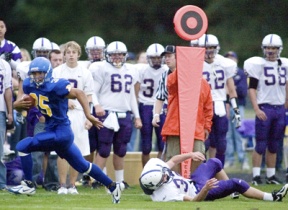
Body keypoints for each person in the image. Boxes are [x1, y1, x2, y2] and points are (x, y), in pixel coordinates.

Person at [8, 57, 124, 203]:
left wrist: (88, 115)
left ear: (48, 73)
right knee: (83, 166)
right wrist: (17, 106)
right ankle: (113, 186)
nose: (37, 77)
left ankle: (28, 184)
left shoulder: (57, 85)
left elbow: (80, 93)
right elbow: (25, 105)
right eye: (34, 74)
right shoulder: (29, 85)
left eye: (40, 73)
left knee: (23, 146)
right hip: (52, 130)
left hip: (61, 133)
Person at [152, 45, 213, 174]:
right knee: (173, 158)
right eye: (166, 57)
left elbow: (208, 107)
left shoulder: (203, 83)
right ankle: (176, 183)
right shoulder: (171, 78)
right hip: (175, 126)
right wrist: (156, 114)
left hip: (196, 127)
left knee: (198, 156)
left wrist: (207, 126)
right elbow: (170, 86)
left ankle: (192, 183)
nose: (167, 59)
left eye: (170, 56)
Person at [89, 41, 142, 188]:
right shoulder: (102, 69)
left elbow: (131, 95)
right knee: (104, 148)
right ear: (108, 56)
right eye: (114, 54)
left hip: (124, 113)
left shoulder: (131, 70)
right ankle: (98, 180)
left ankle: (119, 181)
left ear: (125, 56)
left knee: (121, 149)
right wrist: (97, 105)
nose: (117, 57)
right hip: (107, 113)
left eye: (120, 54)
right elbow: (92, 91)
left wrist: (137, 116)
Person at [139, 152, 288, 202]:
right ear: (156, 186)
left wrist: (191, 154)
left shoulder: (154, 171)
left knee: (215, 162)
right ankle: (272, 197)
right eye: (163, 179)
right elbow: (193, 201)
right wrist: (205, 189)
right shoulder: (165, 195)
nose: (166, 175)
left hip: (193, 182)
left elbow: (172, 160)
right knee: (237, 182)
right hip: (199, 192)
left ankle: (234, 192)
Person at [244, 34, 288, 185]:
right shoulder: (258, 65)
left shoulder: (284, 64)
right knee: (261, 144)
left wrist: (285, 107)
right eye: (268, 48)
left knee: (275, 145)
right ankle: (256, 176)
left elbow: (287, 86)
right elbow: (252, 88)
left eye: (273, 48)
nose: (270, 51)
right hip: (265, 108)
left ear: (279, 49)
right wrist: (256, 108)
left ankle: (271, 176)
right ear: (263, 49)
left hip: (280, 109)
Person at [53, 41, 93, 194]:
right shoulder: (57, 72)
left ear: (78, 54)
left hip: (79, 113)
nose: (71, 55)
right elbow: (51, 93)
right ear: (64, 54)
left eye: (73, 52)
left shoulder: (85, 72)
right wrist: (65, 100)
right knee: (62, 148)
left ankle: (73, 184)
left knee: (77, 149)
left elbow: (89, 96)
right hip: (61, 113)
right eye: (68, 52)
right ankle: (62, 185)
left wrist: (89, 117)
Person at [198, 34, 240, 167]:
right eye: (206, 47)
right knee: (204, 142)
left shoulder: (224, 63)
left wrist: (236, 109)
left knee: (221, 143)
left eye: (212, 47)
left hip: (220, 104)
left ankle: (218, 170)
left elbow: (231, 89)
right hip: (203, 106)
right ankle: (203, 170)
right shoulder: (195, 64)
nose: (209, 51)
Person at [134, 43, 168, 167]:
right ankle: (146, 172)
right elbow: (136, 92)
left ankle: (159, 170)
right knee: (146, 145)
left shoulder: (167, 70)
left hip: (163, 107)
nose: (156, 60)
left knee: (162, 143)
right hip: (146, 106)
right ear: (148, 58)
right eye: (153, 58)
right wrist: (136, 112)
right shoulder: (141, 69)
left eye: (159, 58)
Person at [224, 51, 249, 170]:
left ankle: (243, 159)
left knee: (239, 133)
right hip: (226, 106)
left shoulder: (240, 73)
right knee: (228, 134)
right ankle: (230, 159)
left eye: (232, 58)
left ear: (236, 60)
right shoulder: (222, 73)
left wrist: (230, 88)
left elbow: (243, 92)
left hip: (238, 106)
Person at [0, 58, 13, 190]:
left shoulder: (4, 64)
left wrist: (10, 112)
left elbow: (8, 89)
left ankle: (1, 183)